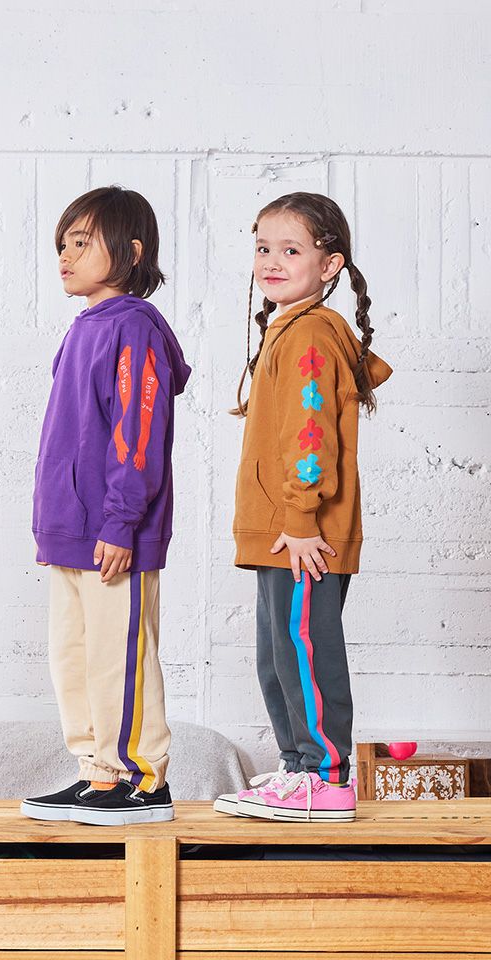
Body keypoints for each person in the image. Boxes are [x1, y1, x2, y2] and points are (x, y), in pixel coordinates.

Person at [215, 192, 392, 823]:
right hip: (283, 533)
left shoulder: (311, 333)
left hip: (303, 533)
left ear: (330, 264)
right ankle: (298, 771)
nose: (272, 260)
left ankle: (326, 777)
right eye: (264, 248)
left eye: (291, 250)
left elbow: (310, 435)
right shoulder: (289, 328)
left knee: (307, 652)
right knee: (280, 657)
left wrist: (299, 519)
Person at [21, 186, 191, 826]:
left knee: (119, 657)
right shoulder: (82, 328)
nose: (65, 256)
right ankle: (97, 772)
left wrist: (121, 521)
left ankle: (140, 778)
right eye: (61, 244)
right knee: (74, 657)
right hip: (70, 531)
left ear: (132, 252)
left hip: (114, 535)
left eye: (81, 242)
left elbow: (137, 432)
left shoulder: (134, 328)